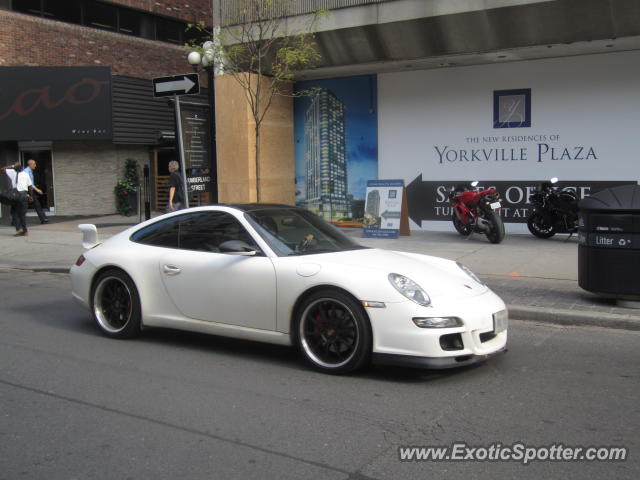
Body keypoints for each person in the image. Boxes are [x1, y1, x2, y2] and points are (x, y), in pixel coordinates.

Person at [1, 162, 32, 236]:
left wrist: (12, 165)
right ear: (22, 168)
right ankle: (25, 231)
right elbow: (30, 187)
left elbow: (2, 169)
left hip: (15, 196)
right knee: (22, 214)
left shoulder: (13, 172)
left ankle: (19, 229)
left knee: (14, 213)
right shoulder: (26, 174)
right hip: (24, 195)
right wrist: (31, 196)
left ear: (15, 168)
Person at [24, 159, 48, 224]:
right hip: (26, 190)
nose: (35, 165)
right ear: (30, 164)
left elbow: (31, 183)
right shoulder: (26, 172)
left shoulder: (30, 171)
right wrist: (37, 190)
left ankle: (43, 219)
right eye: (34, 164)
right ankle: (15, 221)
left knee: (37, 204)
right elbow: (29, 183)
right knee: (23, 205)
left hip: (30, 190)